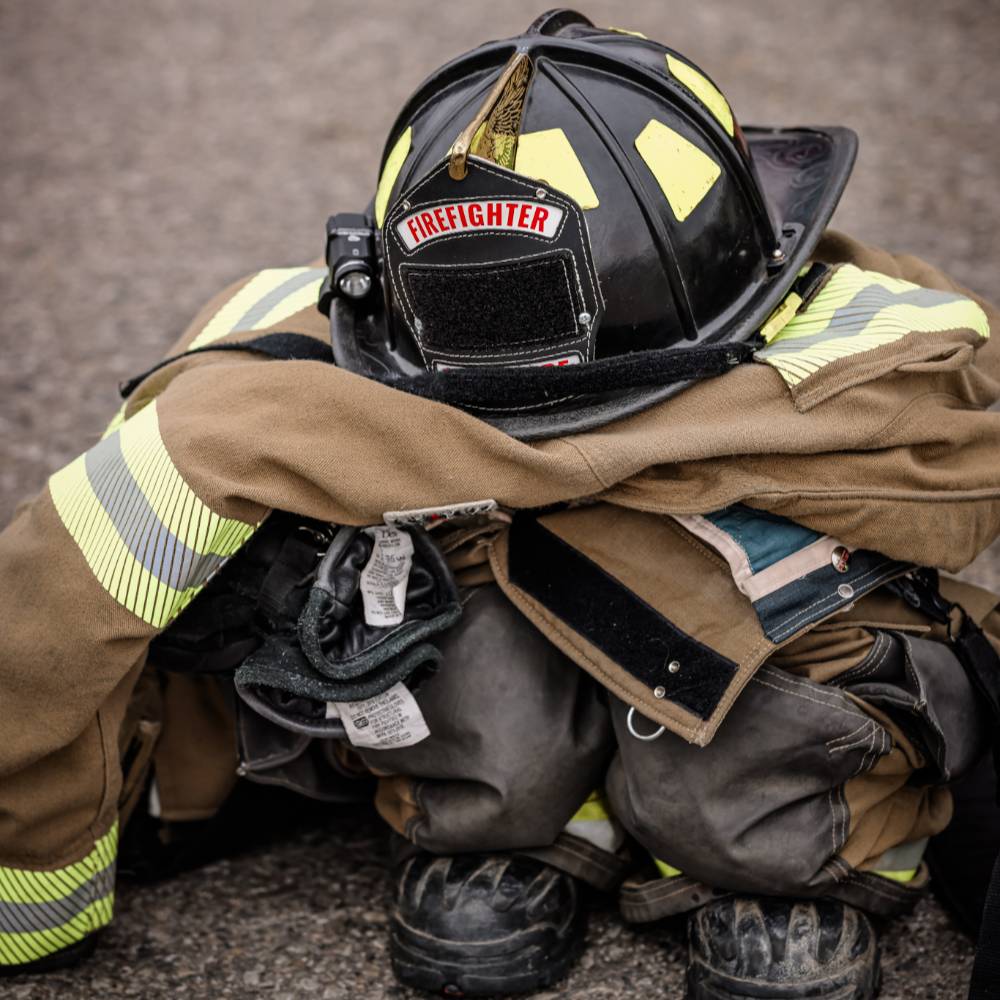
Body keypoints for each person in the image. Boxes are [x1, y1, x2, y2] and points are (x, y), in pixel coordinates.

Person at [2, 10, 999, 999]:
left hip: (760, 700)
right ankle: (535, 822)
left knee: (794, 670)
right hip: (479, 691)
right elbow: (78, 575)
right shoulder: (262, 391)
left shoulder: (881, 364)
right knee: (444, 630)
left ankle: (799, 851)